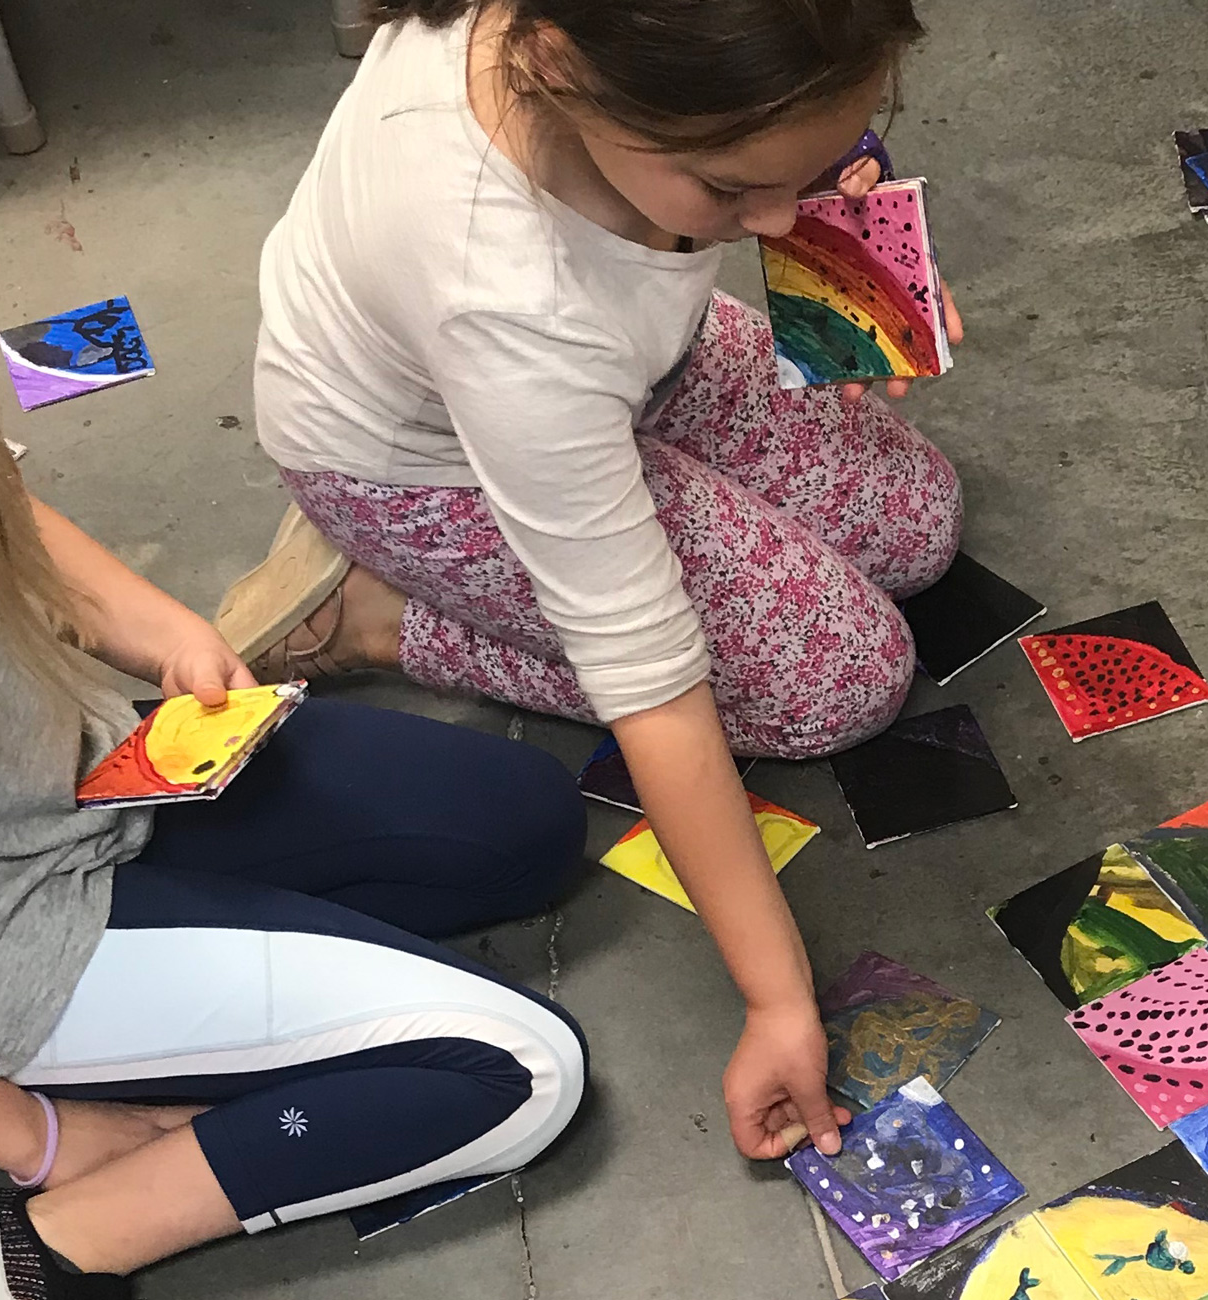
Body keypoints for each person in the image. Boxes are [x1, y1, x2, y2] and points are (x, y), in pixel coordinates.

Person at [0, 4, 589, 1297]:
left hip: (96, 781)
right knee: (521, 1068)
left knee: (531, 825)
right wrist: (46, 1142)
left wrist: (153, 624)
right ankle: (23, 1256)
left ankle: (235, 1014)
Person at [215, 0, 960, 1161]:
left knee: (918, 524)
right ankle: (366, 615)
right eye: (730, 190)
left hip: (612, 368)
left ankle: (636, 452)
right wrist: (774, 997)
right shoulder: (498, 289)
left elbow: (786, 139)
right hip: (424, 468)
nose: (773, 220)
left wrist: (842, 213)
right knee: (841, 682)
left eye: (797, 171)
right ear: (565, 73)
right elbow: (645, 670)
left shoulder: (619, 68)